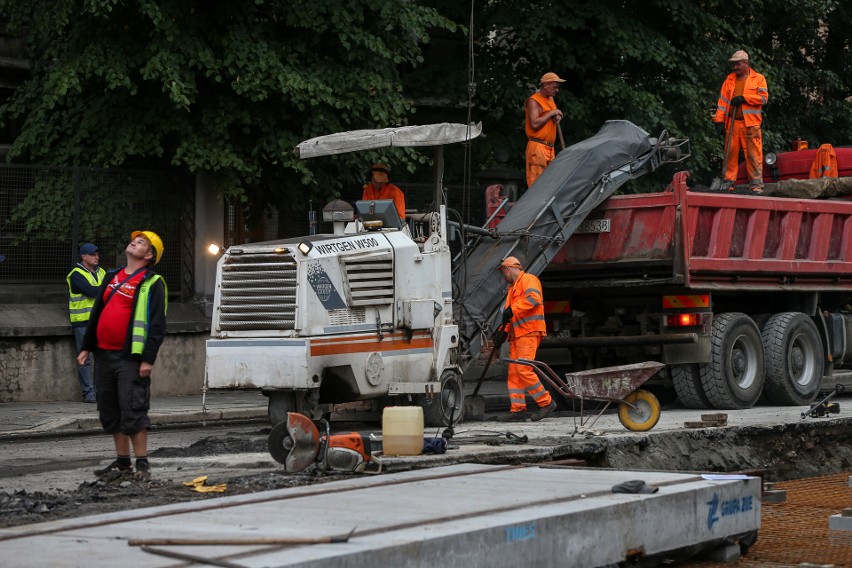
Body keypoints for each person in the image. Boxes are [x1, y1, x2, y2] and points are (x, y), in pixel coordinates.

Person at [78, 231, 167, 477]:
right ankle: (123, 463)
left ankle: (142, 463)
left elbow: (157, 325)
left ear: (149, 255)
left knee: (133, 409)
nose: (134, 242)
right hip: (104, 355)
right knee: (110, 410)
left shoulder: (153, 282)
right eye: (134, 240)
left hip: (131, 357)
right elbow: (96, 312)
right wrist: (86, 346)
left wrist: (148, 359)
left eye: (141, 243)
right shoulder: (112, 276)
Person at [495, 256, 556, 421]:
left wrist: (512, 309)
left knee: (523, 369)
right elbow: (509, 317)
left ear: (509, 268)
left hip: (529, 332)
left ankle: (546, 403)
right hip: (518, 335)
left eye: (503, 272)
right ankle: (517, 410)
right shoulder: (512, 289)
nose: (503, 276)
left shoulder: (529, 279)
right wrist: (502, 333)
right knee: (515, 372)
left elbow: (533, 299)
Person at [713, 50, 769, 193]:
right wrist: (719, 120)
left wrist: (745, 98)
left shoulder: (758, 79)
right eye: (734, 64)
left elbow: (763, 98)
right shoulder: (729, 80)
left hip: (751, 124)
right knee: (730, 155)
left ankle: (756, 186)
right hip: (732, 123)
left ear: (746, 63)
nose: (735, 67)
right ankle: (727, 184)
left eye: (738, 64)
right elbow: (723, 102)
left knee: (753, 155)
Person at [67, 243, 106, 403]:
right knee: (85, 359)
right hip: (82, 322)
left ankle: (98, 392)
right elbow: (91, 292)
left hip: (100, 321)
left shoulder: (102, 272)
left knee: (100, 358)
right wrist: (107, 288)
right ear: (83, 256)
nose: (97, 257)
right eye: (93, 254)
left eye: (97, 254)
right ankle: (88, 393)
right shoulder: (76, 274)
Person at [525, 72, 565, 188]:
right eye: (555, 87)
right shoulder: (533, 101)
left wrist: (557, 116)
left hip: (549, 148)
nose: (557, 90)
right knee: (536, 186)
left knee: (549, 186)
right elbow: (535, 123)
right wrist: (552, 112)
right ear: (546, 85)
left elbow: (553, 115)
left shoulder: (550, 99)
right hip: (537, 147)